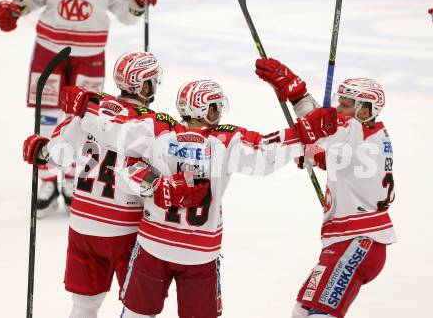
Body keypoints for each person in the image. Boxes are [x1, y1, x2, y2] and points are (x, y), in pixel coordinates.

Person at [60, 78, 338, 317]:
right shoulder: (226, 142)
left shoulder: (158, 131)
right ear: (205, 109)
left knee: (136, 314)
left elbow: (119, 140)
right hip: (200, 255)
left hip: (152, 248)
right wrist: (303, 133)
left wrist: (88, 105)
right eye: (216, 105)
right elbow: (265, 151)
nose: (220, 112)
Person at [21, 51, 210, 318]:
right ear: (145, 85)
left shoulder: (86, 108)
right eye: (153, 81)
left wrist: (40, 149)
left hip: (82, 227)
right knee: (137, 310)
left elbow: (57, 155)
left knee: (83, 306)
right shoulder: (155, 124)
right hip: (126, 230)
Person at [255, 57, 397, 318]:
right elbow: (334, 143)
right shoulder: (370, 134)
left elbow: (323, 125)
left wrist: (296, 91)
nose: (338, 109)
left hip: (359, 241)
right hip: (347, 241)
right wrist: (315, 152)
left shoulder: (357, 130)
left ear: (365, 110)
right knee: (303, 309)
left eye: (345, 105)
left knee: (320, 314)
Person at [0, 0, 158, 216]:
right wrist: (13, 9)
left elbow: (126, 15)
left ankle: (73, 180)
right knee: (47, 117)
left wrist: (138, 2)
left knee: (84, 118)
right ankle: (48, 180)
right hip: (49, 48)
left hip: (90, 54)